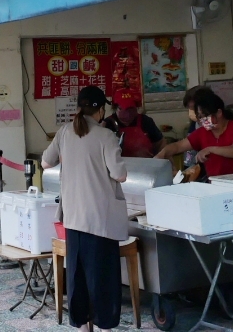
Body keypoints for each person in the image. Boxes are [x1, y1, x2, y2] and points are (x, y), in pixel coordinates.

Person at [42, 86, 128, 332]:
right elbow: (120, 175)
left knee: (78, 275)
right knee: (102, 277)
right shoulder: (106, 136)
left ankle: (82, 326)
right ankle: (104, 327)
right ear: (101, 110)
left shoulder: (65, 132)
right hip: (100, 220)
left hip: (73, 218)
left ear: (79, 107)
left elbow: (46, 162)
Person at [155, 87, 233, 178]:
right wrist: (161, 154)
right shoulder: (202, 133)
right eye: (200, 117)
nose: (203, 120)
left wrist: (210, 149)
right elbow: (177, 146)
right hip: (214, 185)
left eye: (206, 115)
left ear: (219, 113)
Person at [102, 90, 165, 158]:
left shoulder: (146, 121)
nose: (128, 114)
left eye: (131, 109)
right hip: (119, 166)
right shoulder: (107, 124)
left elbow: (160, 144)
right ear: (115, 108)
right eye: (123, 109)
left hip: (146, 165)